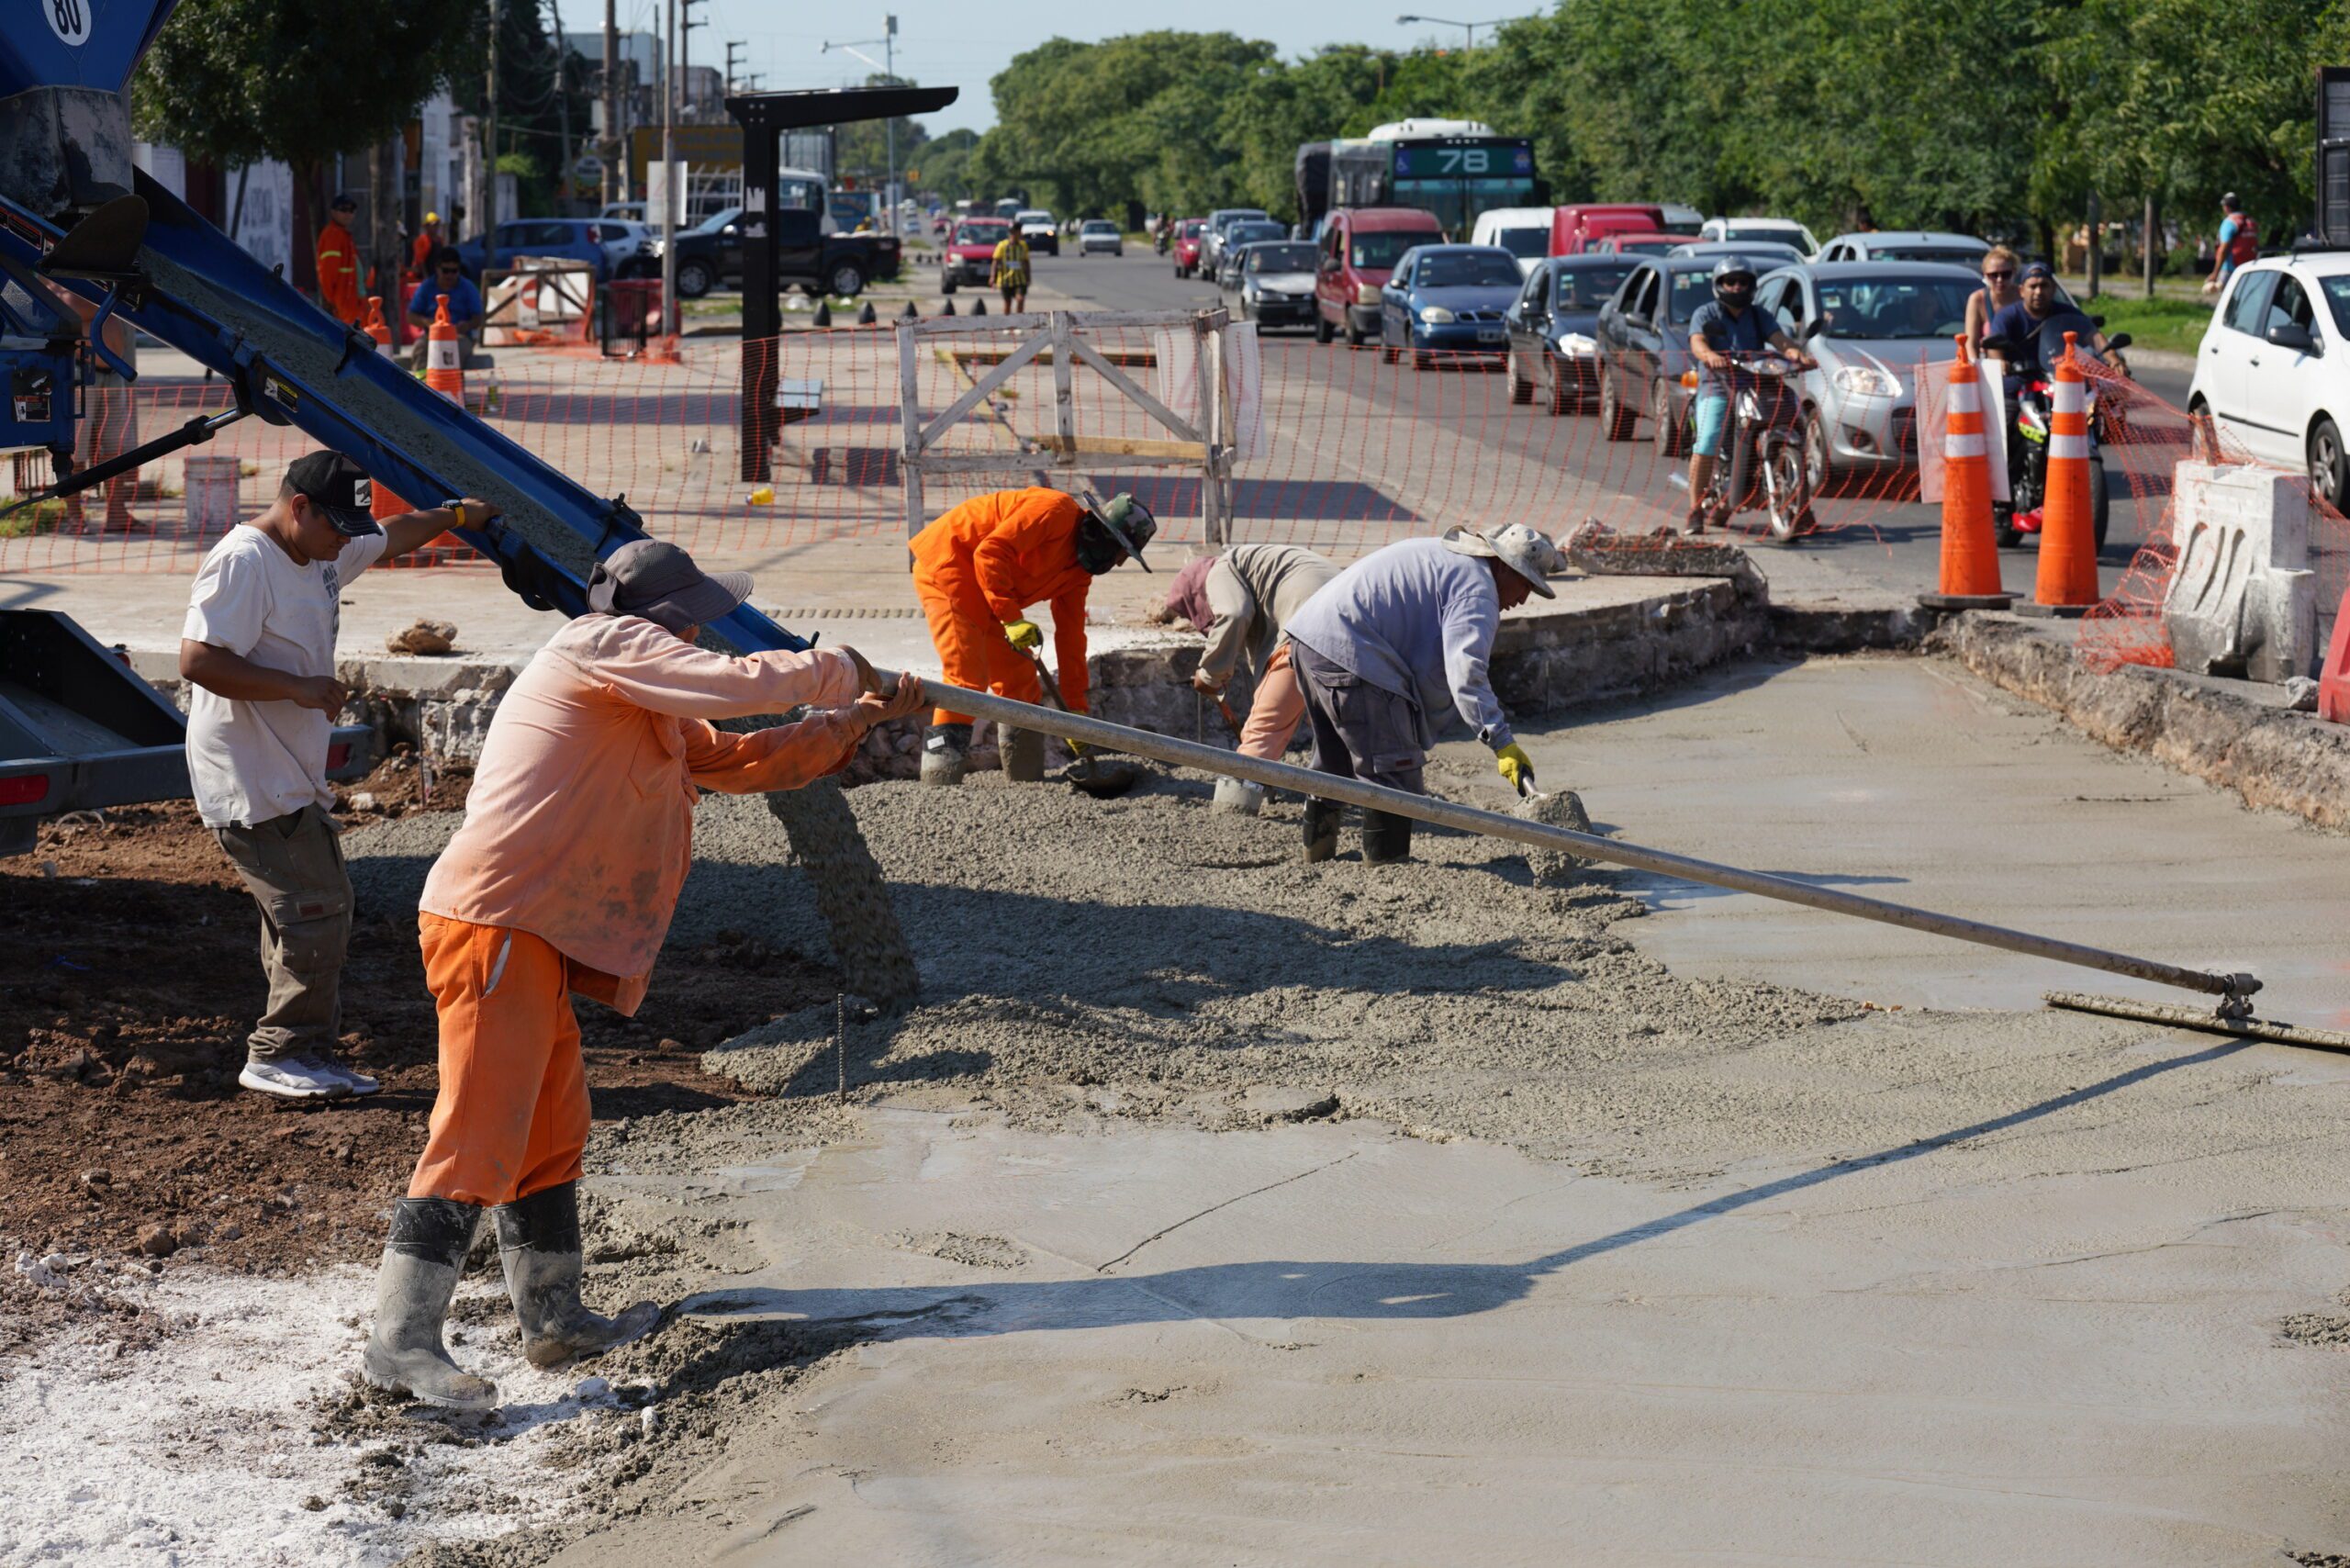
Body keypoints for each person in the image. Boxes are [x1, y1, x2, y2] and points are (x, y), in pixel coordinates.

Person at [364, 540, 924, 1408]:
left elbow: (743, 759)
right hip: (494, 920)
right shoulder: (599, 648)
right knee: (480, 1122)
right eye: (695, 616)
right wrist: (839, 668)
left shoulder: (643, 702)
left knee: (550, 1125)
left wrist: (856, 722)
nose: (705, 629)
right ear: (660, 619)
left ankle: (553, 1319)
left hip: (535, 931)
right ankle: (400, 1343)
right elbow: (742, 686)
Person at [179, 454, 500, 1101]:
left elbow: (397, 531)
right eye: (337, 527)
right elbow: (196, 658)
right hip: (248, 771)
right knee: (317, 911)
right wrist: (296, 687)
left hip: (282, 769)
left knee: (303, 912)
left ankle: (300, 1049)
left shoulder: (324, 549)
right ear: (298, 507)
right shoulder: (246, 561)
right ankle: (281, 1053)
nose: (347, 541)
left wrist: (462, 515)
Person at [1281, 524, 1563, 866]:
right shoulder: (1478, 589)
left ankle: (1317, 859)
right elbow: (1467, 674)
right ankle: (1387, 870)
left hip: (1310, 638)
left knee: (1334, 763)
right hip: (1350, 650)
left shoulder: (1448, 558)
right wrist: (1502, 743)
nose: (1522, 599)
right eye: (1525, 584)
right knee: (1394, 769)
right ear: (1502, 564)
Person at [909, 487, 1155, 785]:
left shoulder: (1078, 573)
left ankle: (1026, 783)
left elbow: (1071, 635)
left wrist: (1075, 707)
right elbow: (990, 552)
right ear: (1106, 535)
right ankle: (939, 780)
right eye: (1121, 552)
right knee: (966, 680)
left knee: (1021, 689)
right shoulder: (1054, 511)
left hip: (994, 591)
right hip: (950, 565)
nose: (1119, 563)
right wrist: (1011, 619)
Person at [1149, 544, 1339, 811]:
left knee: (1262, 734)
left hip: (1309, 631)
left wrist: (1210, 674)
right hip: (1354, 628)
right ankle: (1353, 806)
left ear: (1197, 593)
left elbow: (1234, 614)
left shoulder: (1220, 570)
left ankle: (1231, 816)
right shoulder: (1266, 570)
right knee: (1339, 731)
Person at [1683, 258, 1816, 535]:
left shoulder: (1759, 315)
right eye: (1731, 281)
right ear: (1719, 285)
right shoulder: (1705, 313)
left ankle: (1801, 508)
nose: (1737, 286)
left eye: (1743, 281)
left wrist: (1796, 355)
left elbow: (1780, 340)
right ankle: (1695, 511)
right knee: (1707, 440)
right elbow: (1697, 342)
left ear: (1752, 285)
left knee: (1793, 424)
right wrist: (1709, 356)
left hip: (1756, 383)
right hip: (1718, 384)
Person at [1984, 263, 2131, 379]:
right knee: (2006, 411)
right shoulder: (2008, 315)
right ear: (2021, 291)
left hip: (2062, 378)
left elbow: (2094, 336)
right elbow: (1994, 347)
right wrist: (2000, 363)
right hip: (2020, 380)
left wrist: (2113, 359)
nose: (2038, 292)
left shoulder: (2067, 313)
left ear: (2053, 289)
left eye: (2044, 286)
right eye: (2033, 286)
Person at [407, 247, 485, 369]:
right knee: (420, 348)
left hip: (460, 337)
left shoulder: (468, 288)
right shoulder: (427, 287)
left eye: (454, 271)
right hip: (432, 336)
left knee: (453, 352)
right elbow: (411, 316)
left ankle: (452, 384)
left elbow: (479, 317)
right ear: (437, 269)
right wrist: (426, 322)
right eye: (446, 270)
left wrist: (467, 325)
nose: (450, 275)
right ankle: (421, 384)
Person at [316, 192, 364, 327]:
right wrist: (333, 302)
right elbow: (327, 272)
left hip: (350, 304)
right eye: (343, 210)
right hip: (343, 306)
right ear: (333, 212)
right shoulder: (333, 235)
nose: (348, 214)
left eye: (351, 210)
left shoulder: (343, 235)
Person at [1964, 244, 2021, 354]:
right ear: (1984, 275)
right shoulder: (1978, 299)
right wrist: (1975, 366)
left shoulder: (2024, 295)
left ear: (2014, 272)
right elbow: (1971, 343)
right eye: (1993, 275)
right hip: (1991, 365)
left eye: (2006, 274)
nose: (2000, 280)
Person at [2204, 193, 2258, 297]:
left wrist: (2215, 273)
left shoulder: (2229, 222)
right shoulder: (2251, 222)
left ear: (2227, 207)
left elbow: (2223, 249)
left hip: (2231, 268)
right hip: (2250, 268)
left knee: (2229, 301)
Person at [991, 224, 1031, 314]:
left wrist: (1028, 276)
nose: (1020, 234)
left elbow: (1026, 262)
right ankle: (1008, 325)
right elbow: (995, 261)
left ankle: (1019, 320)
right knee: (1007, 303)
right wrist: (993, 277)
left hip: (1020, 279)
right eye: (1018, 232)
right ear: (1013, 233)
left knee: (1020, 299)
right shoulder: (1002, 246)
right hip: (1005, 279)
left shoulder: (1023, 246)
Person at [410, 211, 443, 279]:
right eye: (433, 225)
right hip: (422, 276)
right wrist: (426, 276)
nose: (436, 227)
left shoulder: (440, 240)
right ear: (426, 227)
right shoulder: (421, 240)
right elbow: (420, 261)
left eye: (437, 224)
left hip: (436, 275)